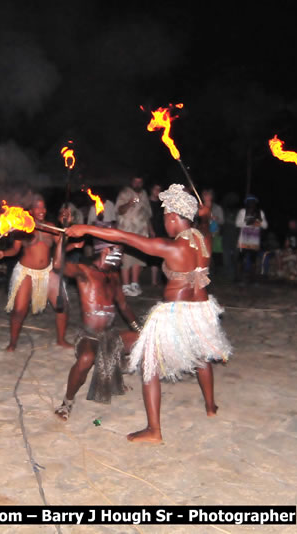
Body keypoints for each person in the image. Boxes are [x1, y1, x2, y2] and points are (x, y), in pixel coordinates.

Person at [66, 184, 232, 443]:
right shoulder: (203, 239)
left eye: (165, 217)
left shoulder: (172, 247)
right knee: (201, 358)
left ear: (174, 217)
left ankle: (154, 430)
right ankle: (210, 407)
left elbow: (123, 237)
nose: (164, 222)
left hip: (175, 313)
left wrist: (86, 229)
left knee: (150, 364)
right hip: (201, 311)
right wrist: (205, 214)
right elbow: (205, 222)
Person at [53, 225, 141, 420]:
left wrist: (140, 330)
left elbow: (124, 306)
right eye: (119, 252)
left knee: (143, 341)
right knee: (86, 358)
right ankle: (67, 402)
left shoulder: (114, 277)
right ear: (106, 251)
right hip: (89, 336)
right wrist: (63, 239)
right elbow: (58, 265)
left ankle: (114, 370)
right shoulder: (84, 272)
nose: (121, 258)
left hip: (110, 335)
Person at [0, 196, 72, 351]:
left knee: (62, 306)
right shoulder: (23, 228)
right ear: (30, 210)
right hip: (26, 272)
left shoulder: (51, 227)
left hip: (47, 271)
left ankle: (61, 340)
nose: (41, 210)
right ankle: (12, 343)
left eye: (43, 207)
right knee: (19, 310)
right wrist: (4, 253)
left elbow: (62, 244)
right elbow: (15, 250)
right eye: (37, 207)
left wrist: (66, 225)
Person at [115, 176, 152, 296]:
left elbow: (148, 214)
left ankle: (134, 284)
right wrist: (129, 203)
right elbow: (119, 210)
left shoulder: (144, 194)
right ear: (131, 182)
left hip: (141, 232)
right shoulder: (124, 193)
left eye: (139, 182)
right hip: (127, 231)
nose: (137, 184)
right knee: (126, 259)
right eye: (135, 182)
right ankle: (125, 286)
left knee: (138, 258)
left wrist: (151, 230)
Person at [235, 195, 268, 283]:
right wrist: (248, 222)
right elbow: (237, 224)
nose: (251, 204)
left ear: (255, 203)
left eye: (253, 202)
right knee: (240, 259)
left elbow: (265, 226)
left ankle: (252, 279)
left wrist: (258, 222)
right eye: (249, 202)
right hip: (243, 240)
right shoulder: (242, 212)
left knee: (253, 260)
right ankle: (238, 278)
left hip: (254, 241)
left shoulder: (260, 212)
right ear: (246, 203)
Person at [148, 183, 167, 287]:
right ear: (151, 190)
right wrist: (151, 229)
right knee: (154, 256)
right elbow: (147, 217)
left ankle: (164, 279)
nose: (157, 191)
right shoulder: (147, 202)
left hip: (163, 230)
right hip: (153, 230)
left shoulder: (162, 203)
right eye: (155, 189)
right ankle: (153, 281)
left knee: (163, 255)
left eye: (159, 189)